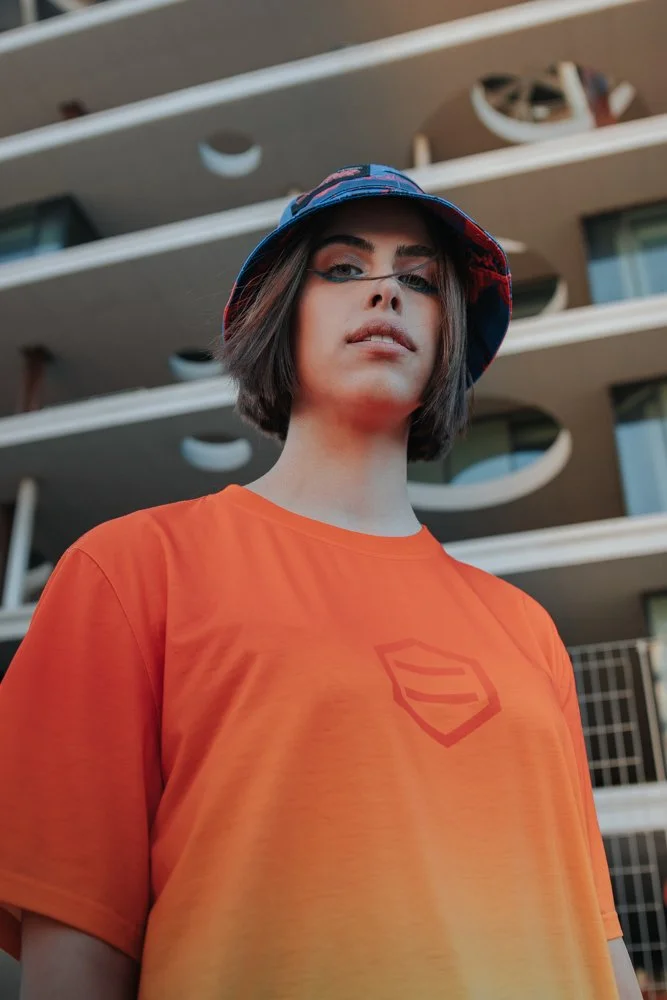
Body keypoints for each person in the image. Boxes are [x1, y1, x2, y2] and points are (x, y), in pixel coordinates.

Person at [0, 164, 640, 999]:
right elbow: (75, 956)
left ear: (450, 340)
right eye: (342, 270)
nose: (385, 295)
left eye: (419, 280)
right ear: (278, 315)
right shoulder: (130, 571)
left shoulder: (525, 629)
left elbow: (599, 943)